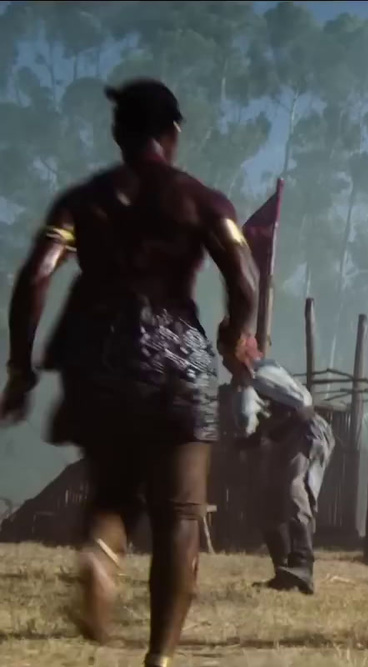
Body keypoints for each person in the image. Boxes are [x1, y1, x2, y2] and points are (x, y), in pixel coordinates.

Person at [0, 79, 259, 667]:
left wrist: (21, 367)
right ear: (172, 134)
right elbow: (243, 277)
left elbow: (37, 275)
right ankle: (160, 657)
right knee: (180, 517)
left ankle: (99, 550)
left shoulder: (84, 200)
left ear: (119, 134)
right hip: (177, 366)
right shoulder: (202, 200)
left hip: (98, 361)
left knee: (111, 493)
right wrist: (232, 334)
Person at [238, 360, 335, 595]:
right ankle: (284, 572)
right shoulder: (249, 387)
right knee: (270, 500)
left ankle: (303, 565)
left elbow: (303, 407)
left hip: (307, 433)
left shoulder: (263, 375)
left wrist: (269, 430)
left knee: (295, 490)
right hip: (285, 439)